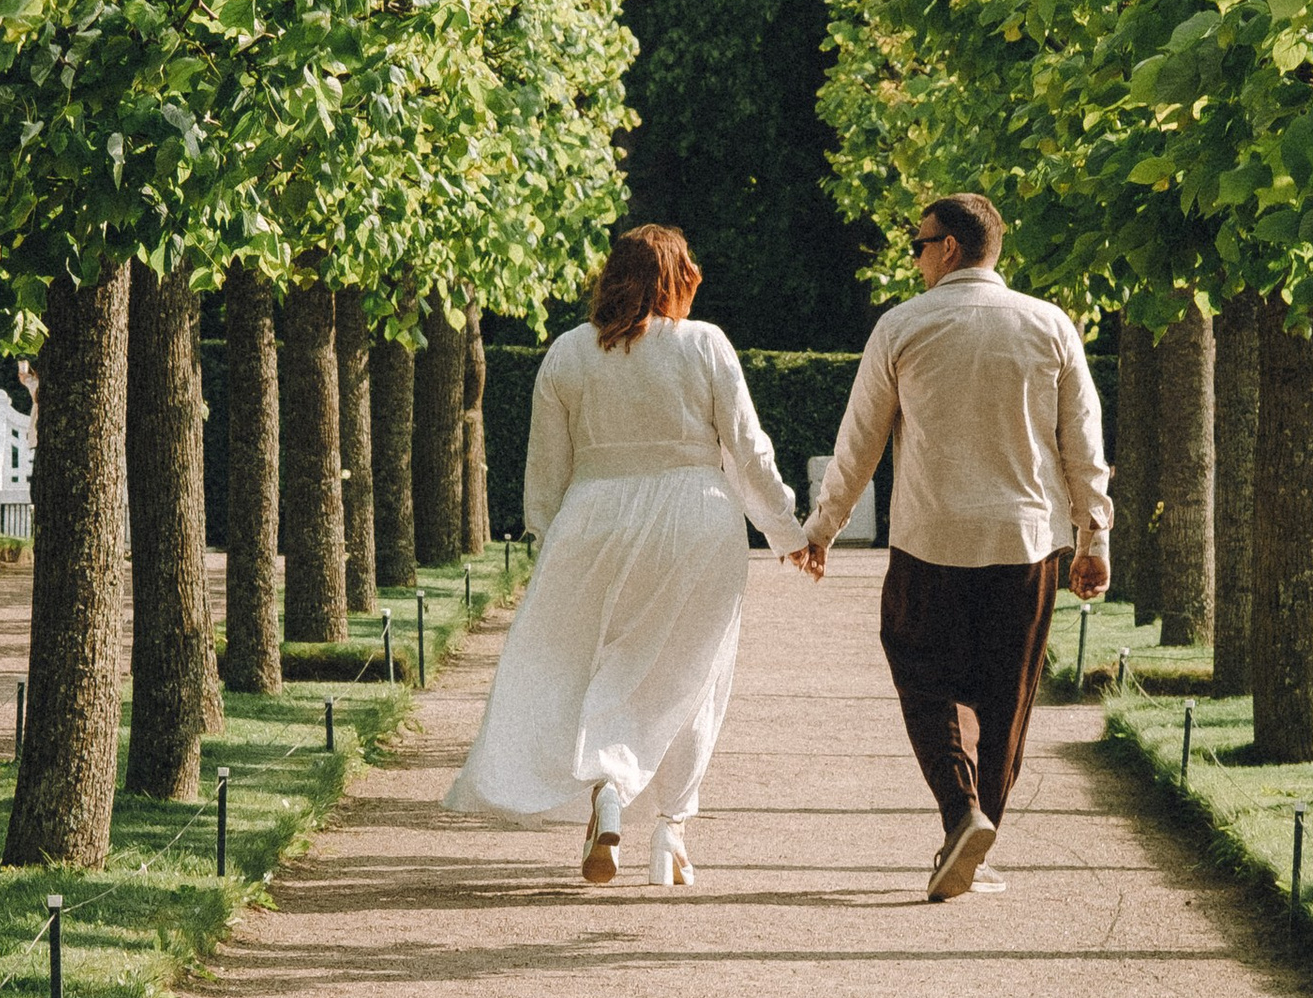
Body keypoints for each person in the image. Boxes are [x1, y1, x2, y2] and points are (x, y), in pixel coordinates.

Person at [444, 222, 808, 888]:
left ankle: (608, 790)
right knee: (693, 673)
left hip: (593, 521)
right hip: (697, 519)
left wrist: (550, 546)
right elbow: (749, 452)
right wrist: (788, 534)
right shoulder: (704, 345)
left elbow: (545, 474)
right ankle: (669, 828)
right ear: (678, 279)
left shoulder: (567, 354)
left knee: (598, 663)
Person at [799, 192, 1109, 901]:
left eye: (918, 244)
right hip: (1025, 541)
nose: (914, 257)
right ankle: (979, 831)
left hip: (930, 539)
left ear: (948, 248)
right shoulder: (1051, 325)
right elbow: (1083, 446)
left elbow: (859, 444)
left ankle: (960, 812)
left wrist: (823, 529)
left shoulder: (903, 327)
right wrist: (1095, 539)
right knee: (1007, 700)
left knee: (922, 675)